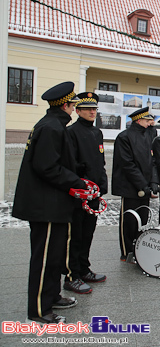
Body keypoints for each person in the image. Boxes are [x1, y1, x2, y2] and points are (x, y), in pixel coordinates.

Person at [13, 81, 87, 324]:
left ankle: (52, 295)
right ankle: (38, 310)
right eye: (73, 104)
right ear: (65, 105)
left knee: (55, 255)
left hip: (54, 204)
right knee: (44, 259)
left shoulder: (55, 125)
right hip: (44, 205)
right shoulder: (51, 127)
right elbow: (47, 167)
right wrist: (76, 181)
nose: (74, 108)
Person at [64, 92, 108, 295]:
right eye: (88, 109)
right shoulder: (71, 132)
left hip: (94, 194)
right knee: (76, 235)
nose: (92, 112)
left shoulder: (97, 133)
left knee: (88, 233)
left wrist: (102, 183)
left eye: (95, 109)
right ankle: (72, 276)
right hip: (78, 193)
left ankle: (84, 269)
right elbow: (70, 164)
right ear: (78, 110)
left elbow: (101, 161)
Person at [113, 107, 159, 262]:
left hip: (144, 186)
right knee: (129, 221)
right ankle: (126, 252)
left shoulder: (147, 135)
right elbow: (127, 164)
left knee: (142, 220)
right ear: (139, 121)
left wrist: (153, 182)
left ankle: (138, 248)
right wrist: (142, 185)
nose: (150, 123)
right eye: (147, 121)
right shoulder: (124, 137)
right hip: (130, 186)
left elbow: (152, 161)